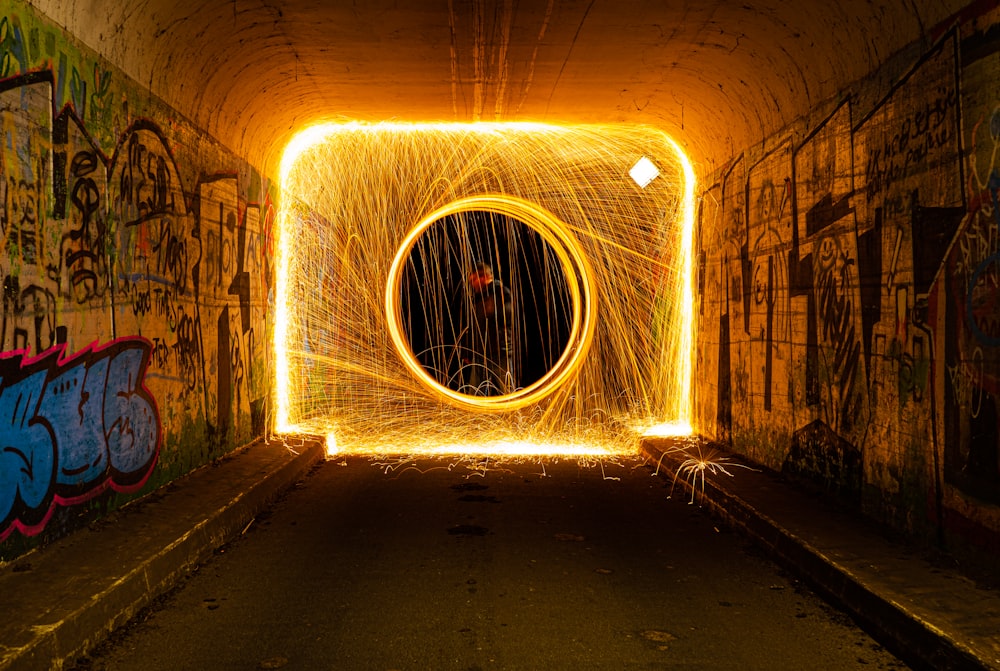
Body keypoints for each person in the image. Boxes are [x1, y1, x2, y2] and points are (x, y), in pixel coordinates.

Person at [455, 261, 516, 395]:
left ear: (483, 277)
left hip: (499, 353)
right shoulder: (478, 298)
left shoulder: (500, 292)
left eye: (473, 280)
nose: (471, 284)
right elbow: (474, 327)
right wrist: (468, 351)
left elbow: (506, 316)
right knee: (474, 393)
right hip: (479, 355)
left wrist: (491, 308)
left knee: (506, 393)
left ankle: (512, 416)